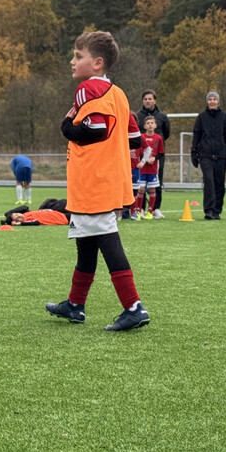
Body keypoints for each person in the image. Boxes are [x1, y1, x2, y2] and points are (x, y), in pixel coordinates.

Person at [45, 30, 149, 332]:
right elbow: (134, 138)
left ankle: (133, 306)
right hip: (108, 180)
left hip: (94, 181)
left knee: (107, 240)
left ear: (97, 63)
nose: (72, 61)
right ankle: (75, 304)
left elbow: (95, 129)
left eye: (78, 56)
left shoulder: (87, 89)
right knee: (87, 244)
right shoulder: (119, 94)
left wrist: (67, 126)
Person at [191, 91, 226, 220]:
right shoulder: (201, 117)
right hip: (205, 155)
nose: (212, 101)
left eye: (214, 99)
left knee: (219, 183)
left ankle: (217, 210)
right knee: (209, 181)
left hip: (221, 155)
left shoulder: (224, 117)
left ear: (218, 101)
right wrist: (194, 152)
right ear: (207, 101)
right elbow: (196, 135)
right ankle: (208, 210)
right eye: (210, 99)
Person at [135, 89, 170, 218]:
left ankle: (155, 208)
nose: (148, 101)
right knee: (141, 183)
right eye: (145, 99)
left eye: (150, 99)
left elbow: (166, 133)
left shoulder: (162, 116)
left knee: (157, 182)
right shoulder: (138, 116)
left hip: (157, 156)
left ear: (154, 100)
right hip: (141, 157)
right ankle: (141, 208)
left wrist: (155, 155)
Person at [133, 115, 164, 219]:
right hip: (142, 169)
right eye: (148, 123)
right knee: (141, 189)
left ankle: (150, 211)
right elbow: (139, 152)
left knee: (152, 190)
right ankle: (138, 210)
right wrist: (144, 160)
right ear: (144, 126)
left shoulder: (158, 138)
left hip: (153, 169)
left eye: (152, 123)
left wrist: (154, 158)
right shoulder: (141, 137)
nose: (150, 125)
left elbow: (161, 153)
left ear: (155, 125)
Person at [3, 198, 70, 227]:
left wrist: (10, 214)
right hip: (63, 218)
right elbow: (35, 222)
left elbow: (24, 207)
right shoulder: (27, 220)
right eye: (18, 218)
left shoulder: (25, 213)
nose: (19, 215)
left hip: (57, 212)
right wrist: (20, 224)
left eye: (17, 214)